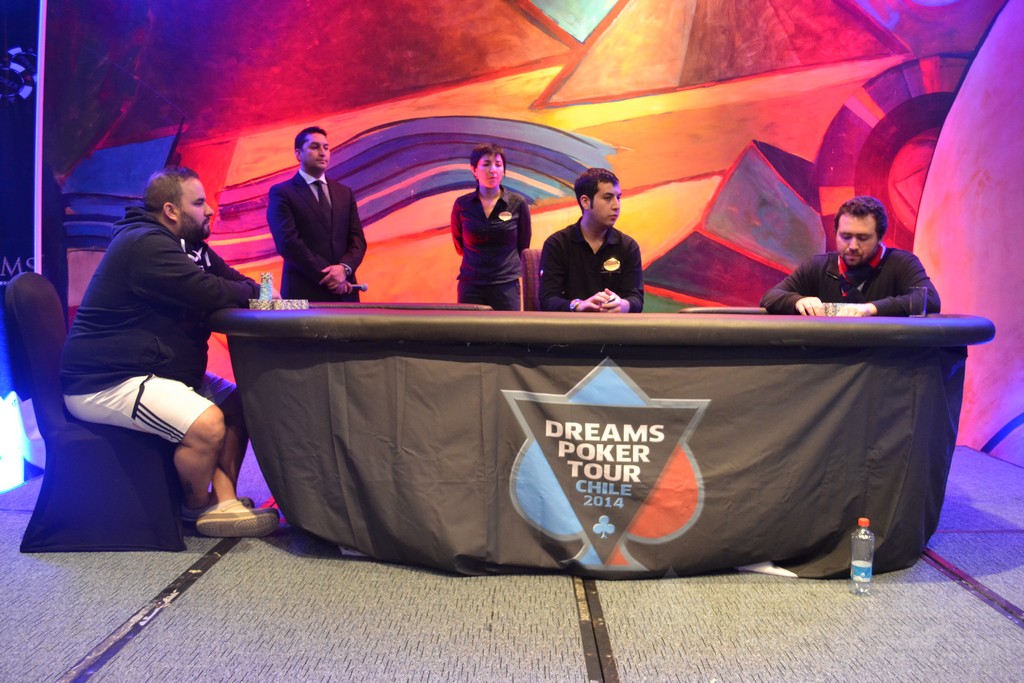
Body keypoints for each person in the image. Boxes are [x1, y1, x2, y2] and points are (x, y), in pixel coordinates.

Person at [60, 167, 279, 538]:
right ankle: (195, 508)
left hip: (156, 369)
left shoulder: (190, 248)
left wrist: (251, 290)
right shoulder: (145, 244)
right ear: (171, 210)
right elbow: (208, 291)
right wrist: (250, 292)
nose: (209, 210)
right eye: (198, 202)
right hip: (107, 380)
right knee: (208, 424)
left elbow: (236, 282)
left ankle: (224, 501)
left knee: (241, 403)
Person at [760, 195, 940, 316]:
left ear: (880, 237)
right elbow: (770, 297)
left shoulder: (902, 263)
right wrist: (798, 301)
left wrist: (871, 309)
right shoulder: (817, 266)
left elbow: (929, 300)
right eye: (845, 236)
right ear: (835, 233)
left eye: (863, 238)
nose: (853, 246)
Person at [267, 126, 367, 301]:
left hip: (345, 291)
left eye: (326, 148)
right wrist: (331, 276)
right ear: (298, 154)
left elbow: (357, 240)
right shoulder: (282, 192)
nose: (322, 153)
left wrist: (344, 269)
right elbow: (288, 243)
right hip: (305, 293)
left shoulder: (344, 192)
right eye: (315, 147)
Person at [539, 167, 643, 313]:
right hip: (571, 325)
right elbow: (547, 300)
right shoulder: (557, 244)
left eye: (618, 197)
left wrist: (622, 305)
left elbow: (636, 299)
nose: (616, 206)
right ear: (585, 202)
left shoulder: (628, 246)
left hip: (613, 325)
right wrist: (579, 306)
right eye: (608, 198)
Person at [450, 143, 532, 310]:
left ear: (504, 170)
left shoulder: (518, 203)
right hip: (471, 284)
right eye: (486, 164)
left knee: (508, 327)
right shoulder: (462, 204)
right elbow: (459, 245)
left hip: (506, 285)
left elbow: (523, 244)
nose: (492, 170)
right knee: (469, 327)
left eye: (498, 165)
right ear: (474, 170)